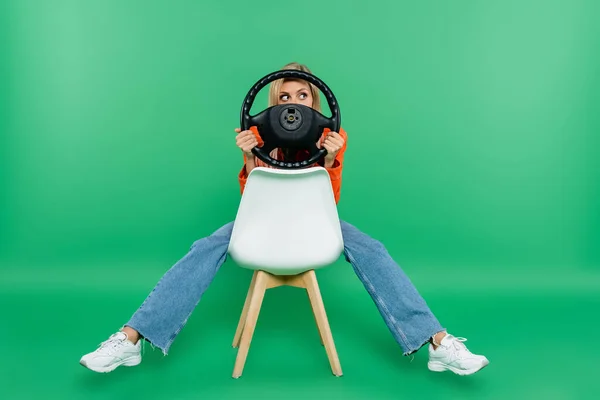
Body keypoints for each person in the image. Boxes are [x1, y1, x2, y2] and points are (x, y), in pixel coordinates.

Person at [80, 62, 489, 376]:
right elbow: (251, 206)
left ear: (316, 104)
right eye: (283, 97)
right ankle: (132, 338)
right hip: (262, 224)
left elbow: (328, 203)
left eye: (303, 96)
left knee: (371, 248)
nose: (293, 104)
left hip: (315, 224)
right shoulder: (257, 137)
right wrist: (249, 159)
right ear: (272, 105)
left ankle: (436, 343)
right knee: (205, 246)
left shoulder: (331, 139)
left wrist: (330, 159)